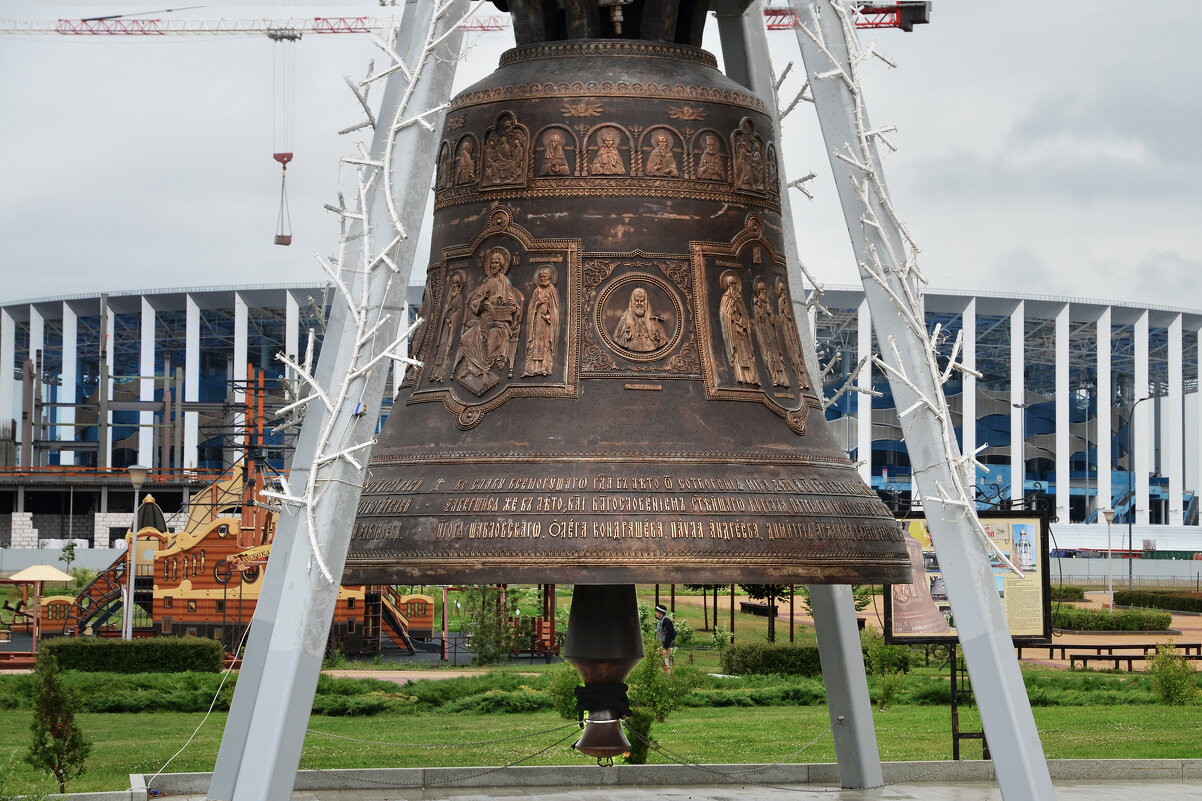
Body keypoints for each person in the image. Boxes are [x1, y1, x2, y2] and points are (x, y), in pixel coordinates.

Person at [654, 604, 676, 672]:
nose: (655, 613)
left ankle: (669, 679)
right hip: (660, 646)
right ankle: (667, 678)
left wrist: (665, 647)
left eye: (656, 611)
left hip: (663, 647)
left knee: (665, 663)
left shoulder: (666, 621)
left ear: (660, 612)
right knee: (662, 663)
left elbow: (669, 635)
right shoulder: (661, 620)